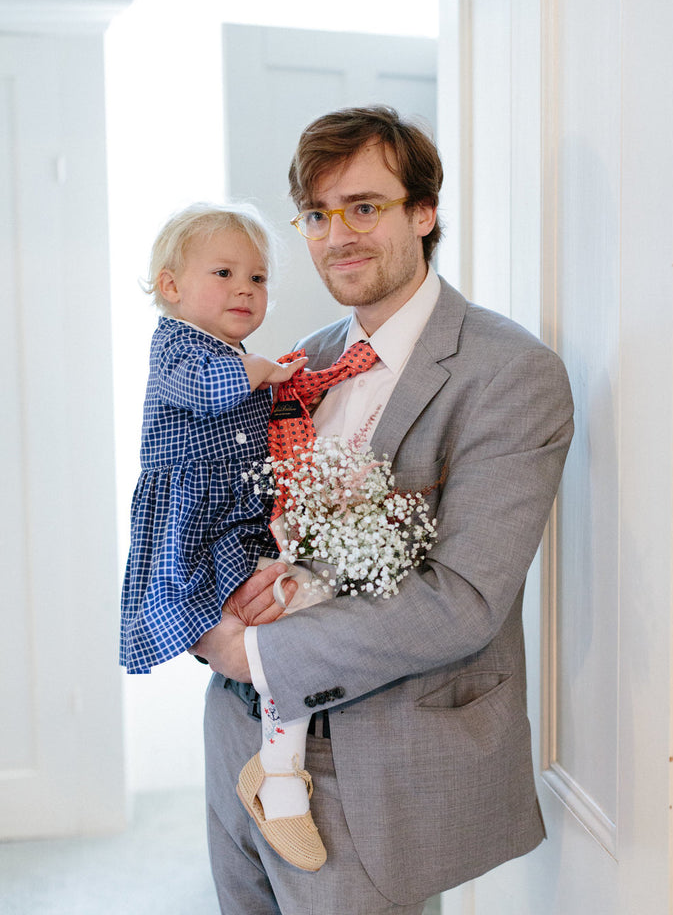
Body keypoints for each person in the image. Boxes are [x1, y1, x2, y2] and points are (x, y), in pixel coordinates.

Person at [191, 106, 575, 915]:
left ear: (423, 213)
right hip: (235, 737)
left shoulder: (509, 373)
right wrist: (203, 614)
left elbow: (464, 601)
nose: (338, 235)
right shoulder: (305, 359)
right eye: (317, 215)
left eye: (364, 207)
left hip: (364, 763)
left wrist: (254, 658)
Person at [119, 203, 328, 869]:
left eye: (258, 278)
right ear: (172, 287)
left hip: (236, 516)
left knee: (281, 619)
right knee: (252, 633)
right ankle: (278, 771)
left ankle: (275, 757)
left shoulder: (235, 352)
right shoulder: (178, 343)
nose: (246, 288)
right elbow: (204, 391)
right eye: (224, 272)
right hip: (193, 522)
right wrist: (263, 372)